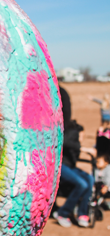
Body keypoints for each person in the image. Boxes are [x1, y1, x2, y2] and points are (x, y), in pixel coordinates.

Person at [54, 86, 94, 228]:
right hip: (61, 165)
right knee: (81, 183)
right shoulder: (58, 127)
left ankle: (82, 212)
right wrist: (82, 148)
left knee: (89, 179)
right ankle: (63, 213)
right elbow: (63, 141)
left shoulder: (71, 127)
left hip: (69, 166)